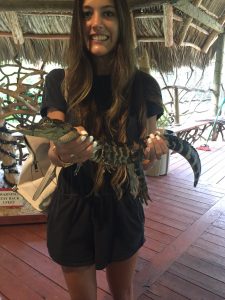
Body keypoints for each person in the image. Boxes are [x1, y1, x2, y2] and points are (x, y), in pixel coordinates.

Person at [41, 0, 168, 299]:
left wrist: (155, 149)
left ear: (122, 21)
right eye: (86, 14)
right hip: (74, 204)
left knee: (123, 295)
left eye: (108, 13)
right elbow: (51, 151)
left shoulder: (145, 86)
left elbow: (146, 159)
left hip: (125, 202)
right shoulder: (59, 80)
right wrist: (63, 150)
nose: (95, 22)